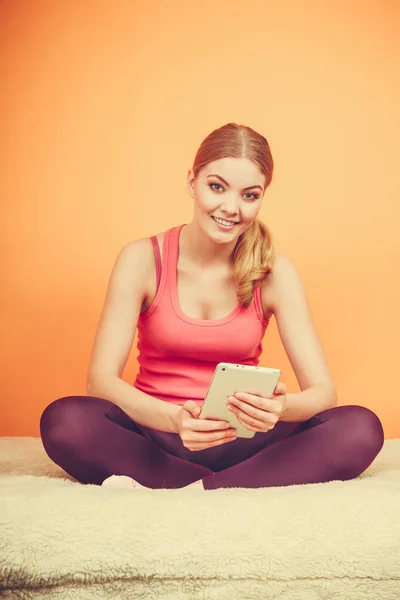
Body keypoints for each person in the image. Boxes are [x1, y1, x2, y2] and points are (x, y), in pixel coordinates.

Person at [40, 122, 384, 491]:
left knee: (361, 428)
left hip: (246, 443)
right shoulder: (141, 259)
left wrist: (279, 409)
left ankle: (197, 489)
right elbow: (101, 382)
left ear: (262, 197)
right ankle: (226, 486)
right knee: (65, 420)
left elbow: (323, 393)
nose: (231, 208)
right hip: (158, 434)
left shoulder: (275, 271)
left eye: (249, 195)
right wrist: (175, 421)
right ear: (192, 182)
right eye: (216, 187)